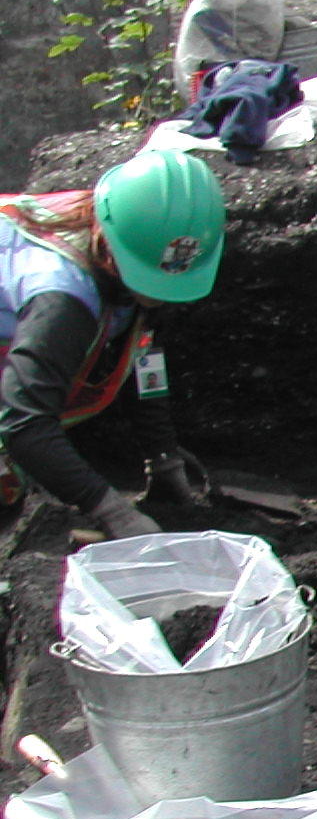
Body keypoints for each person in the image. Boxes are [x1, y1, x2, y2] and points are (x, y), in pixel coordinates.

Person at [0, 150, 226, 539]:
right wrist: (111, 511)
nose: (157, 298)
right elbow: (24, 421)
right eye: (147, 284)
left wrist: (162, 455)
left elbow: (141, 347)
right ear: (110, 243)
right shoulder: (60, 296)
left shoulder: (131, 230)